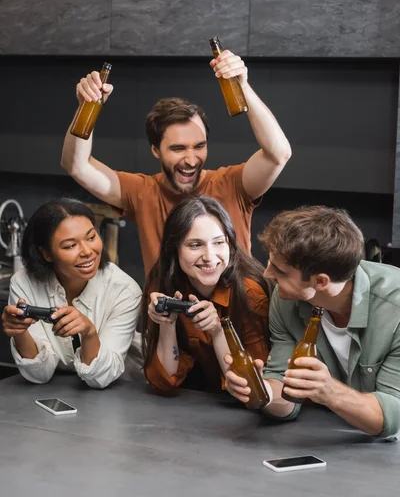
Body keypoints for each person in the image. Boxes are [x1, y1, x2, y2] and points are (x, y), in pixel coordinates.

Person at [61, 50, 291, 275]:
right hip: (165, 311)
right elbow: (77, 165)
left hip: (234, 309)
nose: (191, 160)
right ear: (155, 150)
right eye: (178, 149)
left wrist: (242, 88)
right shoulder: (142, 191)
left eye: (199, 146)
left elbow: (278, 154)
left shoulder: (233, 184)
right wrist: (87, 106)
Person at [225, 206, 400, 439]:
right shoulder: (286, 298)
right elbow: (285, 393)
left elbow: (392, 418)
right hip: (333, 441)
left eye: (280, 270)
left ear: (320, 281)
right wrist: (261, 390)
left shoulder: (394, 309)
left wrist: (329, 391)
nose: (267, 274)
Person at [1, 198, 142, 389]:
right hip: (52, 391)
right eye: (70, 246)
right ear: (47, 254)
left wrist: (89, 333)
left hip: (120, 393)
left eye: (91, 237)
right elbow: (38, 375)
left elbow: (101, 378)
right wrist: (20, 332)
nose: (87, 251)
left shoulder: (124, 290)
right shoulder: (24, 282)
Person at [140, 195, 273, 394]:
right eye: (195, 245)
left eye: (219, 243)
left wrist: (217, 331)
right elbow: (163, 383)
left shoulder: (249, 291)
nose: (209, 257)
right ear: (174, 249)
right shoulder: (163, 281)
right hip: (192, 404)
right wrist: (167, 323)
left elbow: (251, 387)